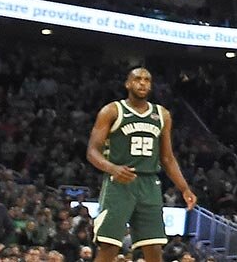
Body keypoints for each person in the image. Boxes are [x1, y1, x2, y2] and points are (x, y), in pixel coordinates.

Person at [84, 69, 196, 262]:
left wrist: (184, 188)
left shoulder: (162, 115)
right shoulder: (112, 110)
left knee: (153, 247)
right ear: (128, 84)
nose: (142, 83)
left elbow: (167, 158)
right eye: (137, 79)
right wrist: (112, 168)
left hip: (149, 184)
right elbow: (92, 152)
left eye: (147, 80)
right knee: (109, 245)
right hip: (119, 184)